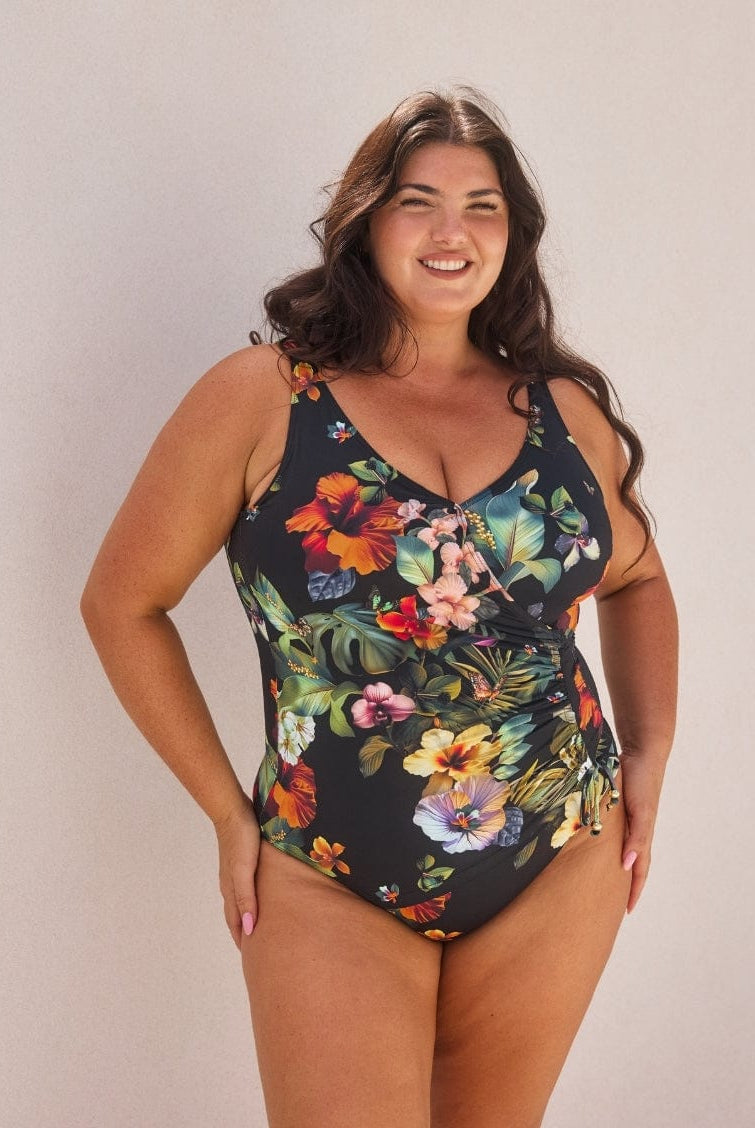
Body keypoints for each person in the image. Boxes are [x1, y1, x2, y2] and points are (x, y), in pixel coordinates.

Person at [81, 86, 678, 1128]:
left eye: (482, 206)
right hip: (327, 869)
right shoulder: (265, 396)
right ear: (365, 221)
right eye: (418, 202)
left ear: (513, 235)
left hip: (559, 854)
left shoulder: (561, 412)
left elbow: (637, 578)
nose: (452, 232)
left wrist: (649, 757)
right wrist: (225, 812)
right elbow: (122, 603)